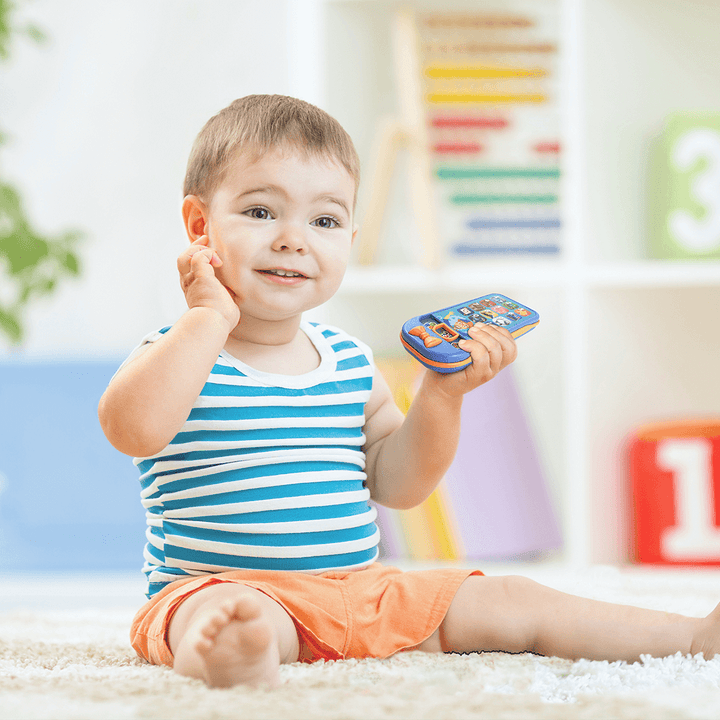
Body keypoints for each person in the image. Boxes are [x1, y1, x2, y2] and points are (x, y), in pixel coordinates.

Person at [98, 95, 720, 689]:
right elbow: (131, 429)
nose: (293, 237)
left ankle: (692, 637)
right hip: (217, 584)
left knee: (509, 598)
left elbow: (398, 485)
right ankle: (236, 652)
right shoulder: (180, 348)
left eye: (324, 219)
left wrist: (440, 397)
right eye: (261, 212)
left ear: (348, 236)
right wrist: (207, 318)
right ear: (200, 227)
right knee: (234, 613)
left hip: (360, 592)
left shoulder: (347, 359)